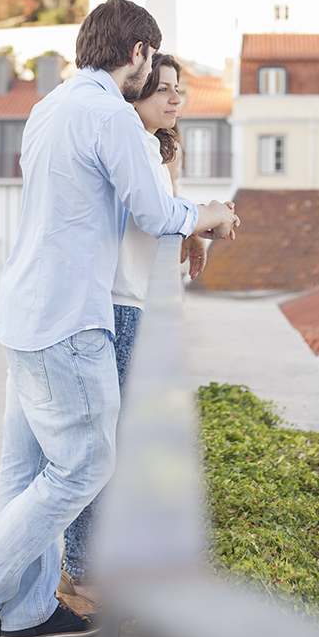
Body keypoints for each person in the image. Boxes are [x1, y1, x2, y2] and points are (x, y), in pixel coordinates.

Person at [0, 0, 238, 637]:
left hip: (22, 313)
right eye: (152, 60)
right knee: (85, 466)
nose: (153, 71)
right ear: (136, 53)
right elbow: (157, 213)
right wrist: (210, 213)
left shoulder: (50, 107)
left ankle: (24, 613)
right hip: (70, 320)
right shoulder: (109, 116)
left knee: (25, 471)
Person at [59, 51, 212, 594]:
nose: (175, 98)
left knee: (115, 444)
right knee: (104, 447)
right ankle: (81, 574)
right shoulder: (129, 142)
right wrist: (201, 216)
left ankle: (93, 566)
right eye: (162, 89)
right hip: (120, 303)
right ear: (135, 92)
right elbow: (151, 215)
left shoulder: (149, 146)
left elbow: (161, 218)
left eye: (179, 91)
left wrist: (187, 222)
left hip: (134, 301)